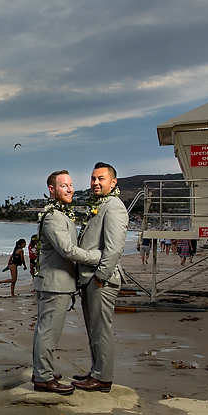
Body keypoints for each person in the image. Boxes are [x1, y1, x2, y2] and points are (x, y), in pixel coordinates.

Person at [32, 170, 101, 395]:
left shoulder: (59, 214)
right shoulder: (53, 217)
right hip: (55, 284)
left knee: (46, 330)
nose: (70, 189)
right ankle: (43, 378)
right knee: (48, 332)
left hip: (56, 282)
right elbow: (67, 250)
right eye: (64, 186)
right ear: (52, 189)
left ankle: (43, 371)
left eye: (71, 185)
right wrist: (99, 257)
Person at [74, 162, 128, 393]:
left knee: (101, 329)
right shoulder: (102, 205)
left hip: (101, 280)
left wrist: (100, 277)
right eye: (93, 178)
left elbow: (114, 248)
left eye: (101, 179)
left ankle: (103, 378)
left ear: (113, 182)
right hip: (91, 278)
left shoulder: (114, 207)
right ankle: (97, 370)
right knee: (94, 329)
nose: (96, 183)